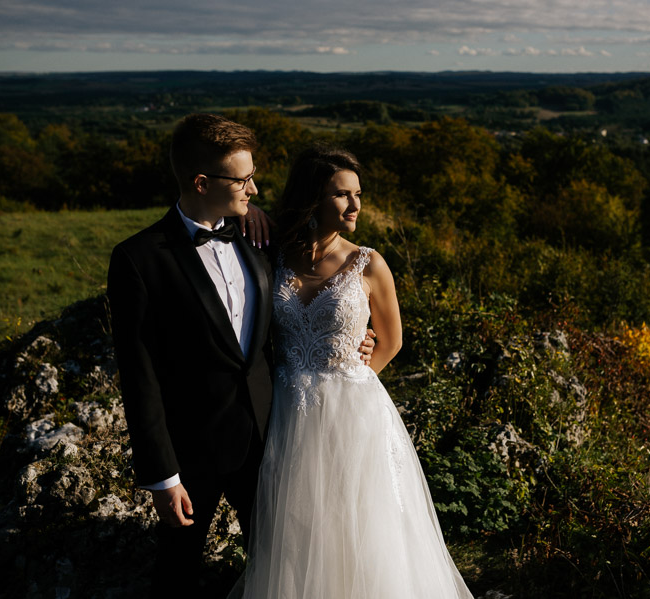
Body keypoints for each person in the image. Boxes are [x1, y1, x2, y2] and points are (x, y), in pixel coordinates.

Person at [107, 114, 372, 595]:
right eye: (244, 179)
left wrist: (356, 339)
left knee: (285, 566)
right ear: (202, 182)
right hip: (190, 454)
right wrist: (161, 476)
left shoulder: (260, 241)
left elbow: (302, 312)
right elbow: (138, 373)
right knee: (178, 574)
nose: (254, 188)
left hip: (272, 440)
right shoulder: (139, 259)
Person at [234, 143, 474, 598]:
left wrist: (353, 374)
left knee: (361, 521)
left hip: (354, 413)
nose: (356, 205)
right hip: (286, 410)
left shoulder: (369, 262)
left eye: (358, 193)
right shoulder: (275, 255)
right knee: (299, 527)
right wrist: (253, 212)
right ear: (313, 198)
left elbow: (392, 339)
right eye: (343, 195)